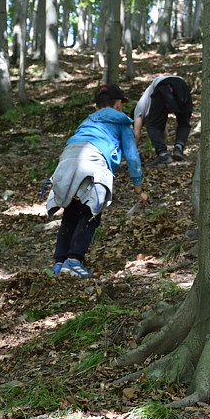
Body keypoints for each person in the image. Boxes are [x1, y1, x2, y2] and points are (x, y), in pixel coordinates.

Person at [46, 84, 148, 277]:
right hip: (94, 161)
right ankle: (74, 260)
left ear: (96, 107)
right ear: (118, 104)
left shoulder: (86, 121)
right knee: (91, 211)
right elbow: (132, 156)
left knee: (71, 209)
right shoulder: (122, 121)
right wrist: (138, 188)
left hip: (67, 160)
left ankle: (59, 263)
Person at [133, 75, 194, 166]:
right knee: (184, 123)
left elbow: (136, 135)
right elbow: (163, 131)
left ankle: (163, 155)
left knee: (152, 126)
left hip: (163, 86)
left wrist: (132, 155)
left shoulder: (138, 110)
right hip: (182, 85)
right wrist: (161, 144)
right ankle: (178, 148)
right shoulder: (150, 105)